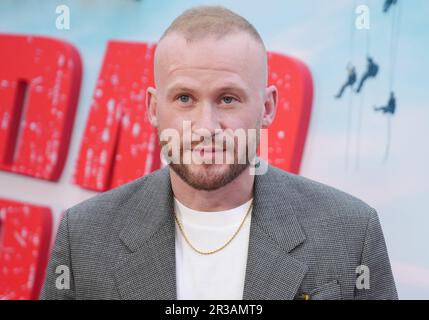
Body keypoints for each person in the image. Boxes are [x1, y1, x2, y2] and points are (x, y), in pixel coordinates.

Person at [41, 6, 397, 300]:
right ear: (152, 108)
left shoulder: (352, 231)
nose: (206, 126)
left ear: (268, 107)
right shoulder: (83, 235)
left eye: (228, 99)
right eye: (184, 99)